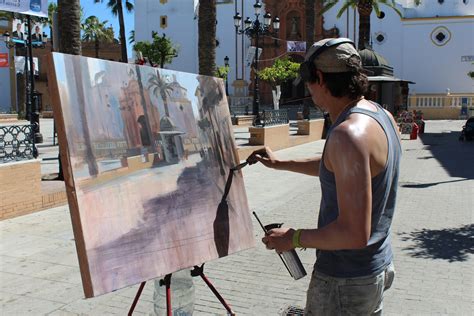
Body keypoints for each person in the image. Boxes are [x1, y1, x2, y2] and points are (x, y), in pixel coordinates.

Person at [248, 38, 401, 315]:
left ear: (318, 77)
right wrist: (280, 162)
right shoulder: (381, 116)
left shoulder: (347, 135)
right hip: (376, 268)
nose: (308, 88)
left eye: (308, 80)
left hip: (345, 281)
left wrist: (293, 238)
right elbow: (342, 167)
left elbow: (354, 234)